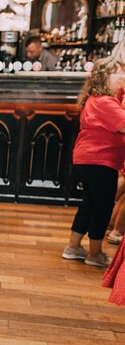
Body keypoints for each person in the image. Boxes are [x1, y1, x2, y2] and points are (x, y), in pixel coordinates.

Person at [62, 58, 125, 268]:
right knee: (102, 207)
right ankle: (95, 253)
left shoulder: (97, 99)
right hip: (100, 160)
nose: (123, 77)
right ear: (106, 78)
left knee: (89, 203)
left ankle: (73, 247)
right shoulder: (105, 102)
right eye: (119, 74)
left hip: (88, 159)